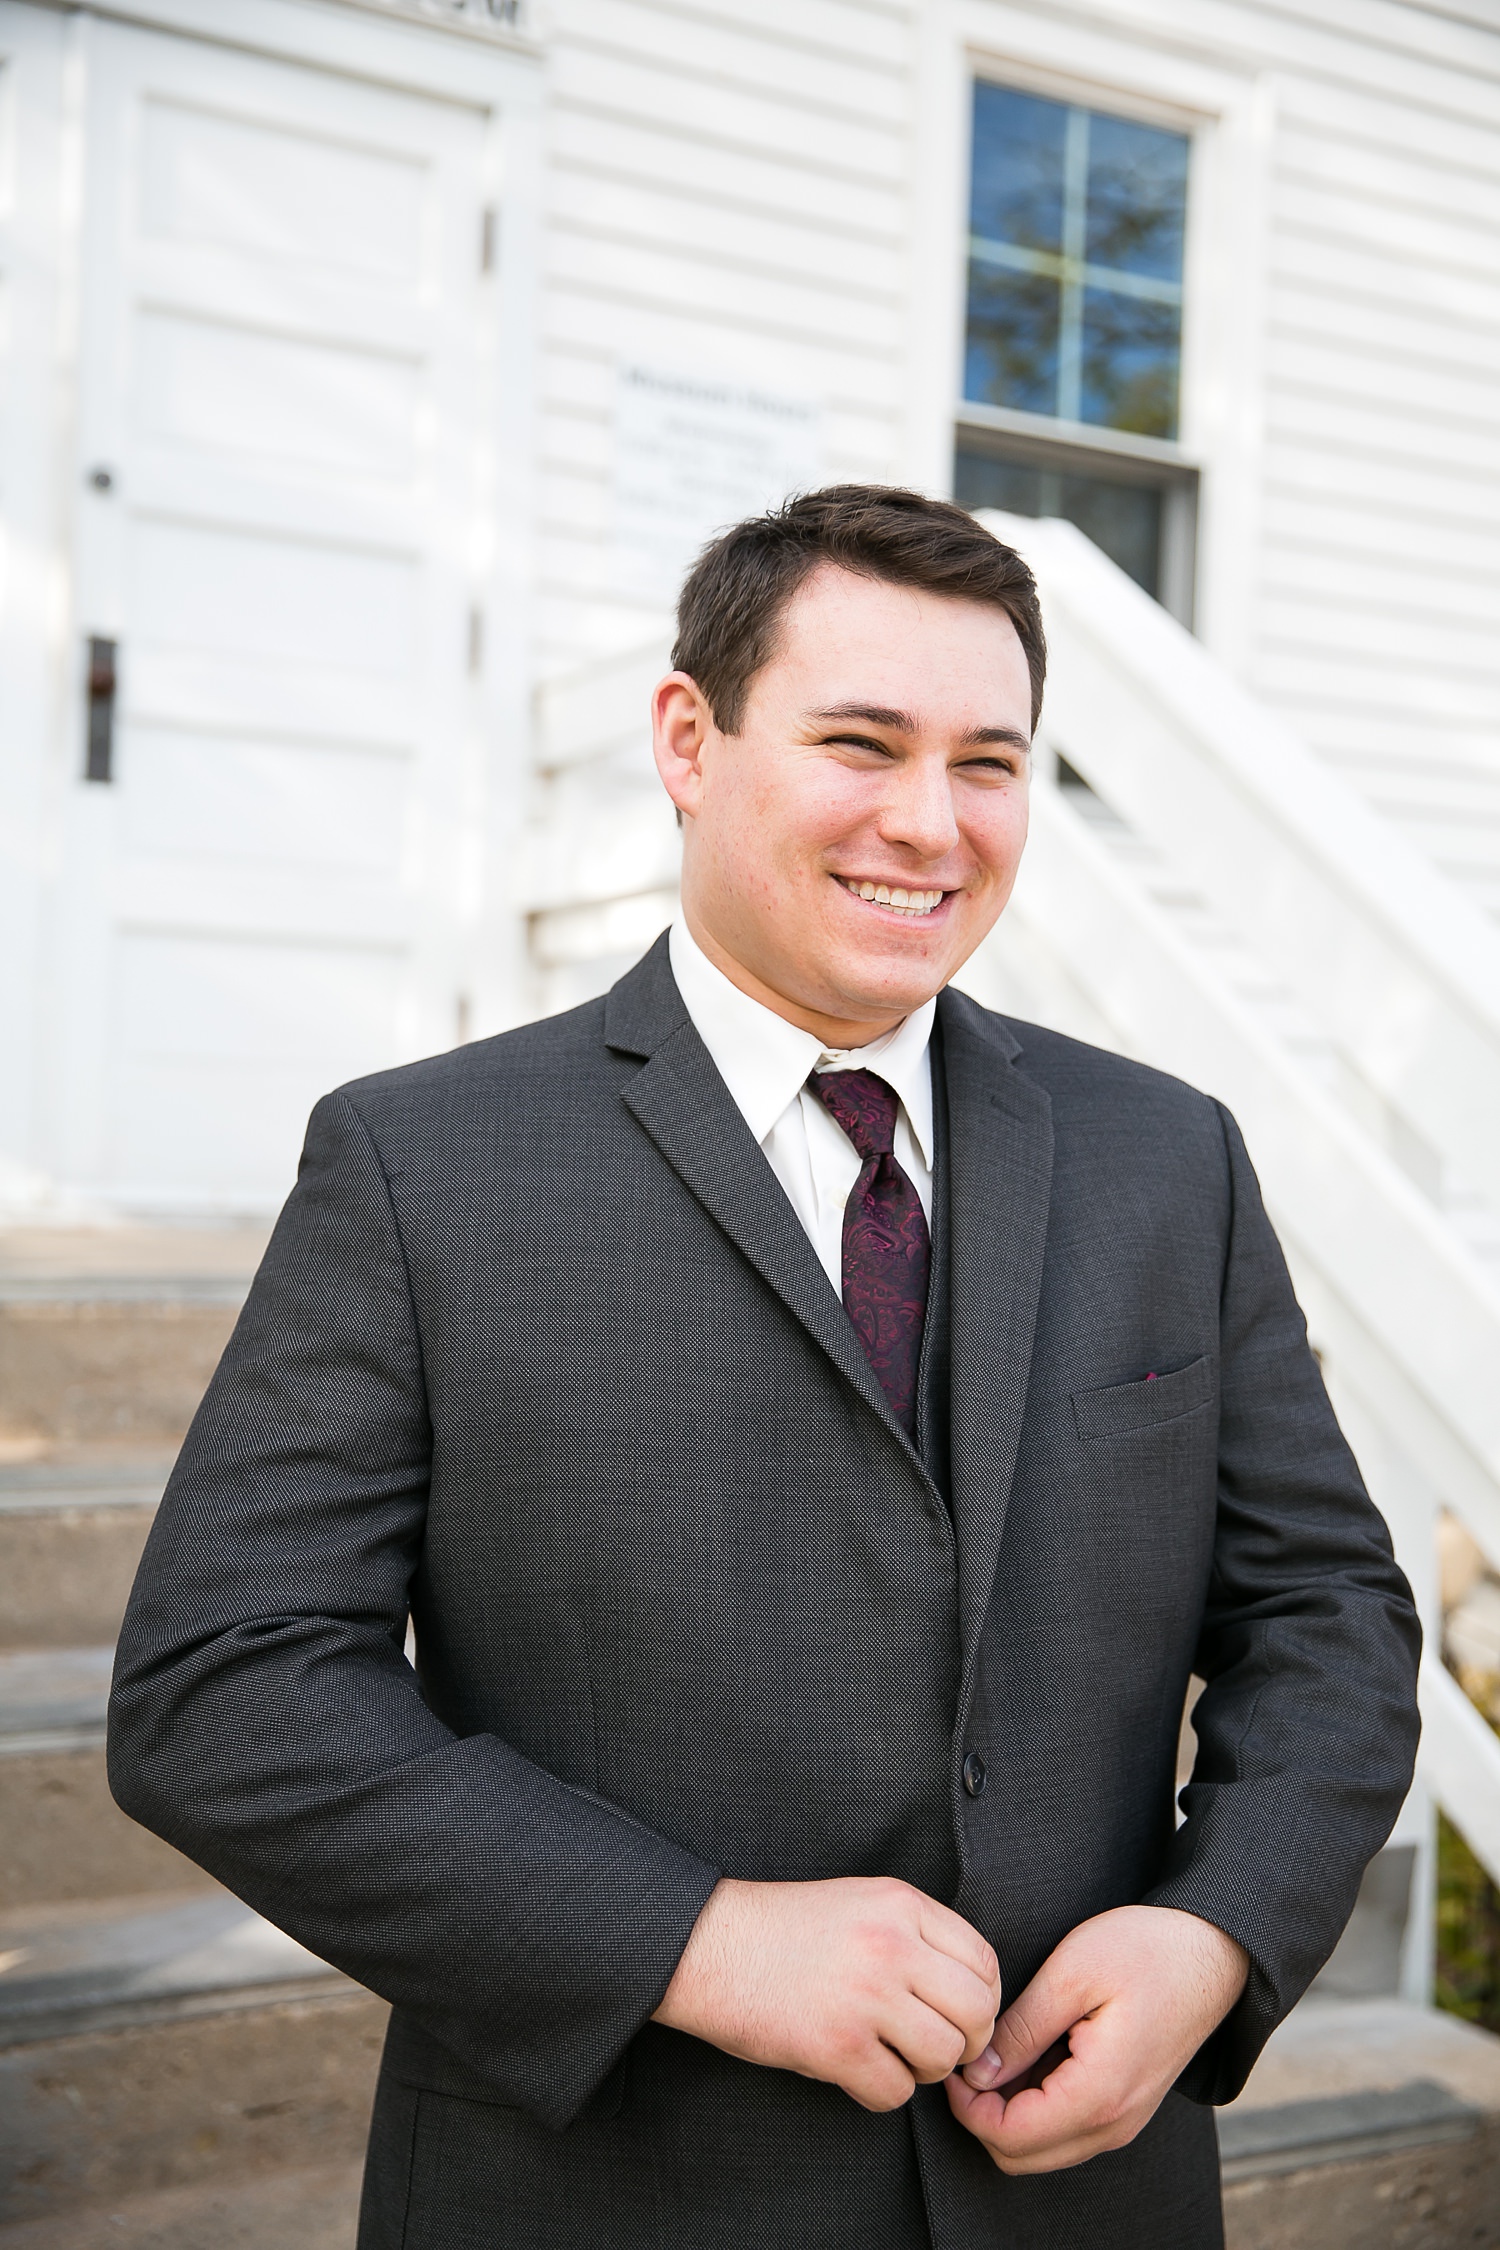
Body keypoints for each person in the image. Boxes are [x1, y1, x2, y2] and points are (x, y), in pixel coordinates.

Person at [109, 486, 1420, 2249]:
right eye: (860, 742)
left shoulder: (1166, 1158)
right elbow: (226, 1684)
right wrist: (692, 1936)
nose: (930, 824)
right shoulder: (422, 1166)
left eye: (988, 761)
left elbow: (1327, 1608)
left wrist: (1219, 1928)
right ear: (688, 738)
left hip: (1086, 2198)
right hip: (606, 2190)